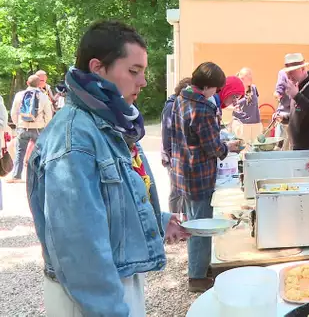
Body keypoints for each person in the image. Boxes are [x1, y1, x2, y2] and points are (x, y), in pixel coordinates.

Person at [26, 20, 188, 316]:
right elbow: (79, 250)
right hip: (90, 298)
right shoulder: (75, 138)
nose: (143, 82)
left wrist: (159, 220)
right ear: (98, 68)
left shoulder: (109, 122)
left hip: (114, 283)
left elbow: (112, 201)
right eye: (133, 71)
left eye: (143, 72)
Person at [169, 62, 242, 293]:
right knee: (201, 226)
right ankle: (197, 277)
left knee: (193, 222)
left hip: (183, 171)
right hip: (198, 174)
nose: (216, 93)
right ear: (208, 86)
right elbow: (212, 147)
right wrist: (227, 147)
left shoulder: (181, 99)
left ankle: (198, 267)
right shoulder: (201, 108)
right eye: (216, 89)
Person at [7, 74, 53, 183]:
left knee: (20, 151)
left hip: (23, 128)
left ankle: (17, 176)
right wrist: (44, 125)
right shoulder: (43, 96)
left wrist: (18, 124)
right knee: (40, 152)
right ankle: (39, 176)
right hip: (38, 129)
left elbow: (14, 112)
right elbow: (48, 115)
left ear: (27, 83)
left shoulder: (19, 95)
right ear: (39, 84)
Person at [276, 53, 309, 150]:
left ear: (303, 69)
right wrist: (284, 118)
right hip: (297, 145)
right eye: (287, 73)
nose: (289, 76)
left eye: (291, 72)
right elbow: (299, 113)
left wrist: (297, 96)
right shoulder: (297, 87)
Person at [161, 77, 191, 217]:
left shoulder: (180, 104)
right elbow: (166, 134)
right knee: (176, 191)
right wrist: (172, 156)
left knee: (183, 189)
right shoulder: (171, 106)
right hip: (172, 156)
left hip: (180, 155)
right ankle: (173, 219)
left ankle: (184, 219)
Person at [232, 68, 263, 144]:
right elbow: (230, 105)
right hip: (242, 124)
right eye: (248, 75)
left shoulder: (254, 88)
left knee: (256, 148)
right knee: (243, 150)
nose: (251, 77)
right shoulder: (235, 91)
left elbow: (255, 103)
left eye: (250, 74)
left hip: (255, 123)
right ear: (242, 78)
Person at [273, 70, 293, 150]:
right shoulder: (301, 74)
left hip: (285, 114)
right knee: (289, 147)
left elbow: (279, 90)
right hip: (293, 115)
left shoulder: (283, 73)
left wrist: (276, 94)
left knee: (280, 147)